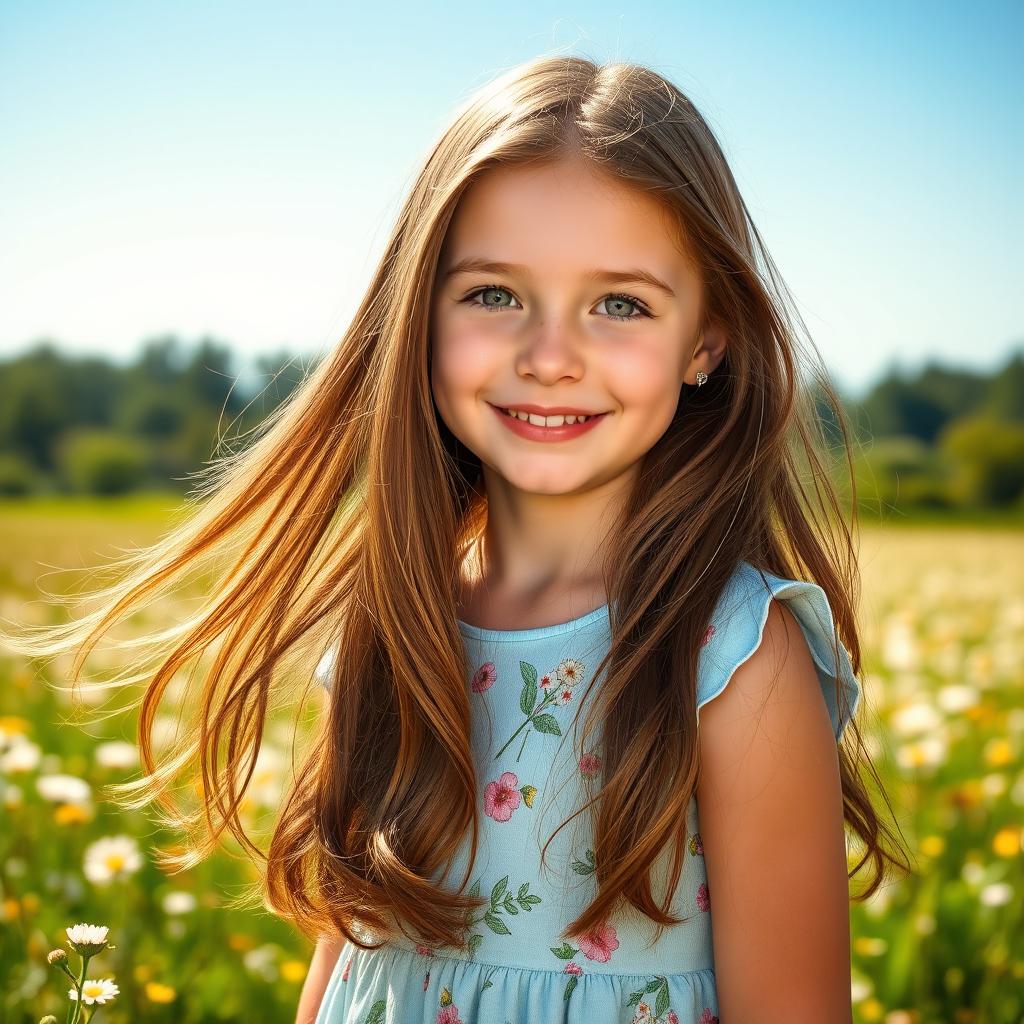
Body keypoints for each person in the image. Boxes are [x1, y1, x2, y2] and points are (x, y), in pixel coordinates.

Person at [9, 54, 912, 1024]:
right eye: (492, 294)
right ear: (420, 317)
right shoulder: (396, 615)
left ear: (707, 340)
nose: (550, 356)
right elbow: (349, 957)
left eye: (620, 304)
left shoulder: (734, 656)